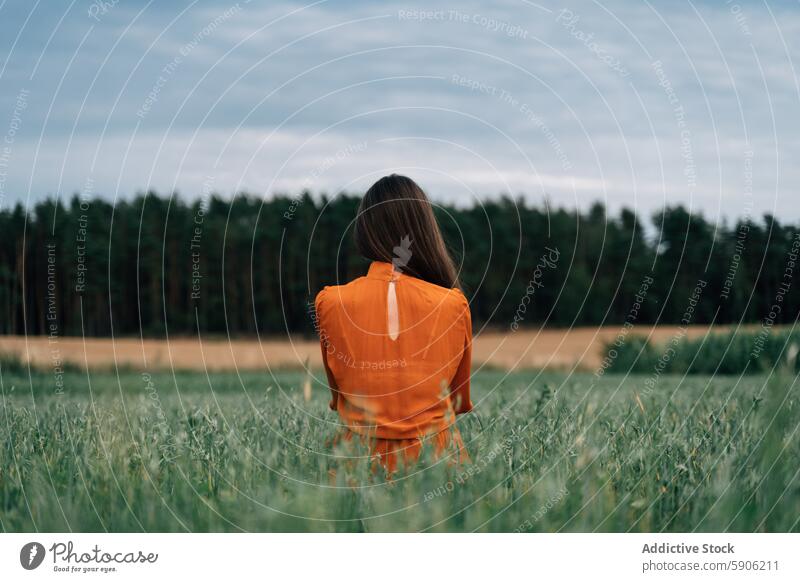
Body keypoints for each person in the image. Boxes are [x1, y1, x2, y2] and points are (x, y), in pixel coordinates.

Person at [315, 174, 473, 473]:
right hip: (439, 468)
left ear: (364, 230)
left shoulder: (330, 303)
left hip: (356, 468)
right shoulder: (454, 304)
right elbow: (458, 401)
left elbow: (338, 398)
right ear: (426, 231)